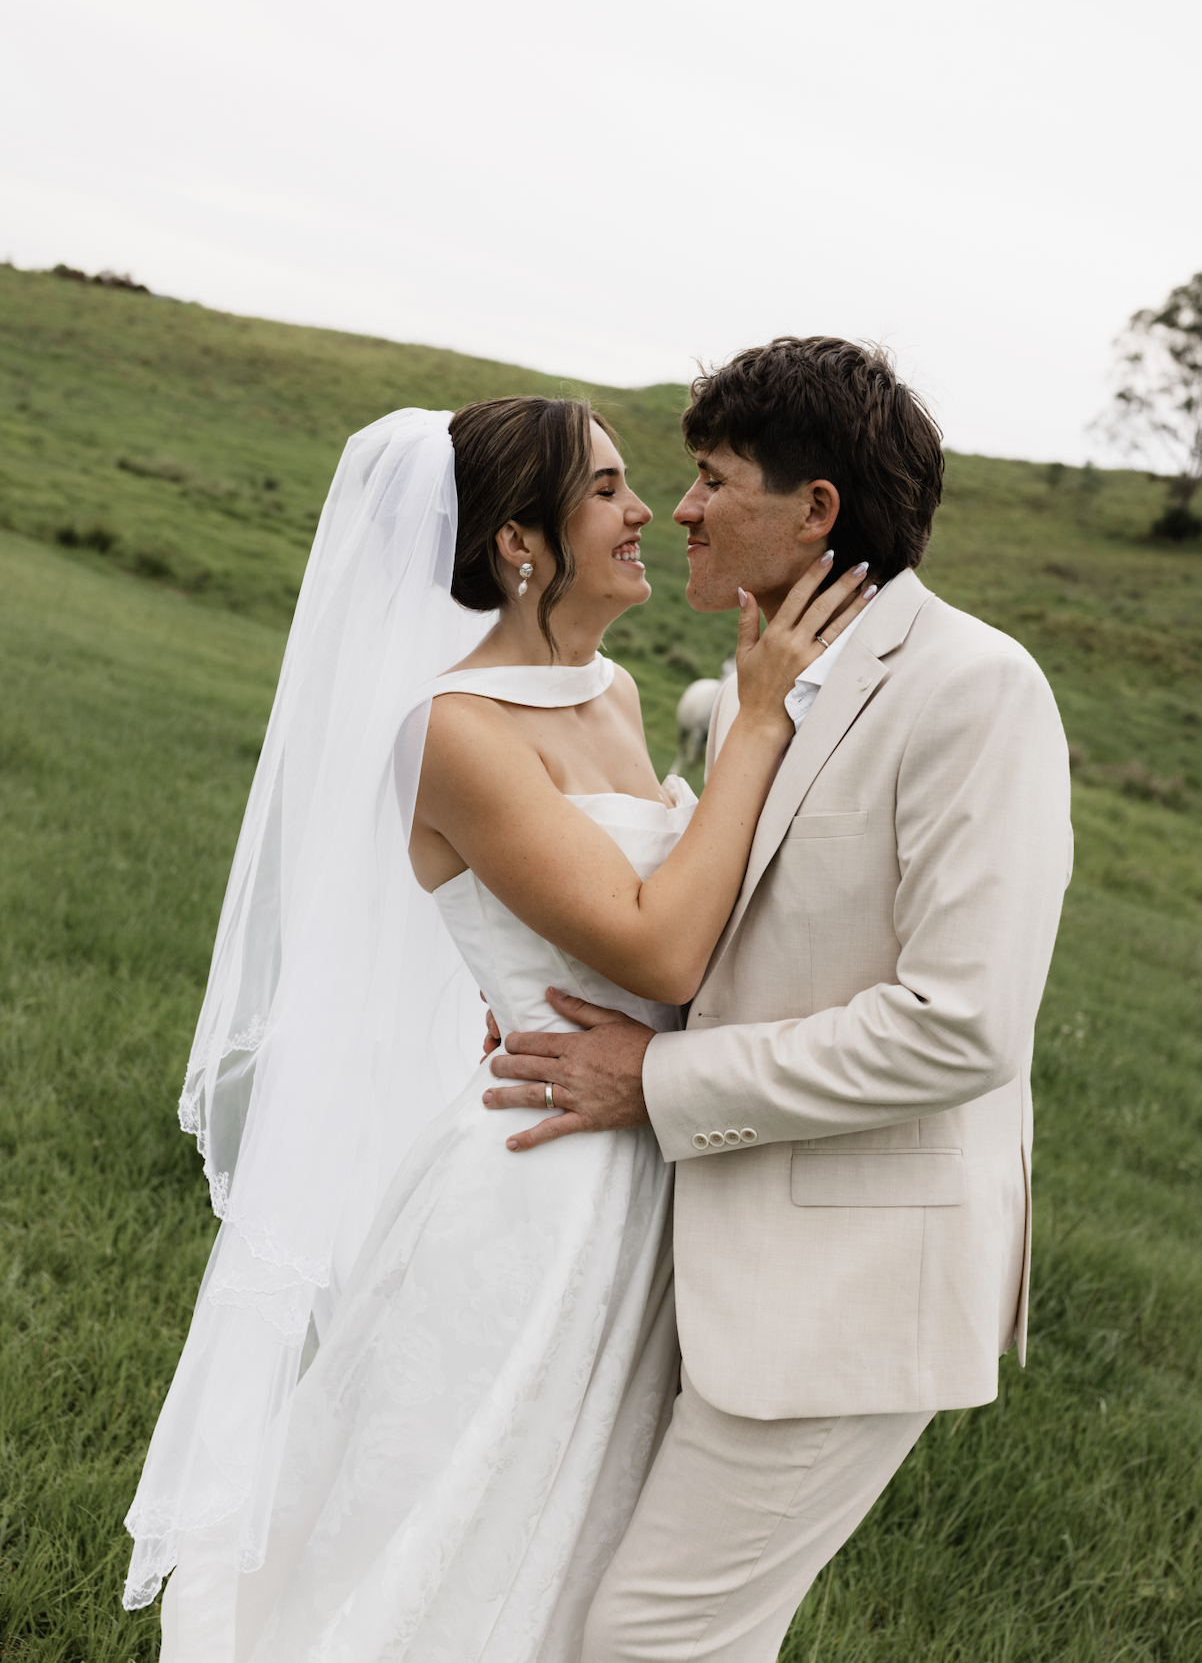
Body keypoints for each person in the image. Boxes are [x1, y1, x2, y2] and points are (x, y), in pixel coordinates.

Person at [123, 395, 871, 1661]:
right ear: (518, 542)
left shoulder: (619, 695)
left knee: (584, 1532)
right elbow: (656, 946)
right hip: (539, 1180)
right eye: (608, 491)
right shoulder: (452, 731)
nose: (646, 514)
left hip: (649, 1153)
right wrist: (751, 723)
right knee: (456, 1517)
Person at [485, 338, 1074, 1662]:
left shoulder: (973, 691)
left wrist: (656, 1082)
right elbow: (726, 930)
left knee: (646, 1642)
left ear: (813, 510)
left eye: (709, 478)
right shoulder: (766, 686)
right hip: (721, 1257)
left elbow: (961, 1025)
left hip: (852, 1287)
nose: (676, 509)